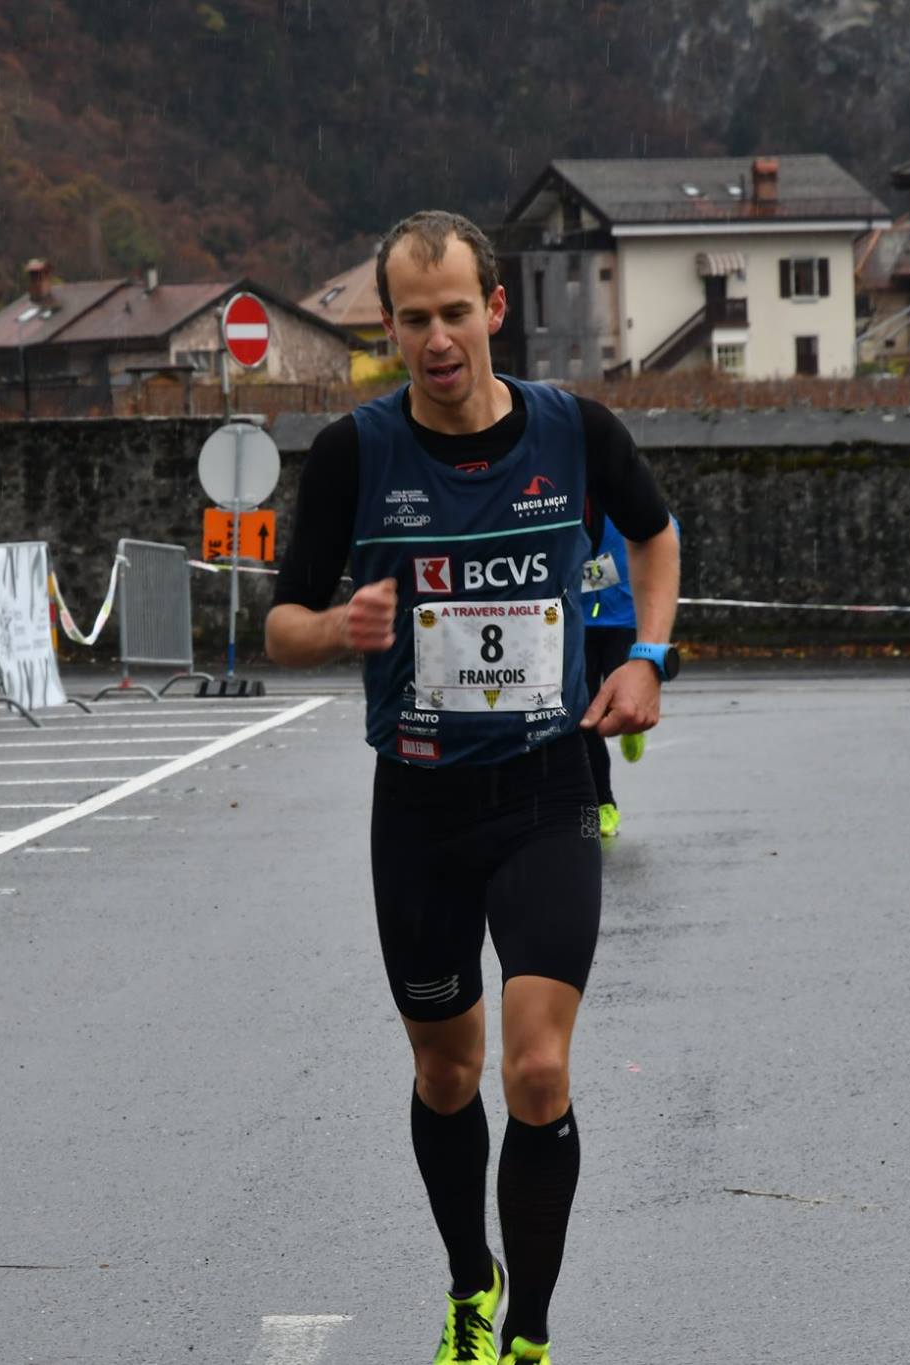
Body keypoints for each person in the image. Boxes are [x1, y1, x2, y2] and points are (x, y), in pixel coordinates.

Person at [266, 210, 680, 1365]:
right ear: (389, 328)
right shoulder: (354, 455)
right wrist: (336, 628)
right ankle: (467, 1281)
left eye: (455, 312)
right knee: (445, 1073)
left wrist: (646, 658)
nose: (437, 339)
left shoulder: (573, 432)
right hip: (419, 808)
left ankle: (527, 1335)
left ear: (494, 308)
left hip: (545, 789)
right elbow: (279, 623)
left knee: (535, 1069)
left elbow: (653, 538)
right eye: (413, 320)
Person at [579, 514, 648, 838]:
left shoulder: (622, 501)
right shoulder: (568, 502)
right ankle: (604, 803)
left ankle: (632, 722)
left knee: (617, 698)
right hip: (580, 622)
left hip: (623, 619)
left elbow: (665, 530)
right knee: (588, 714)